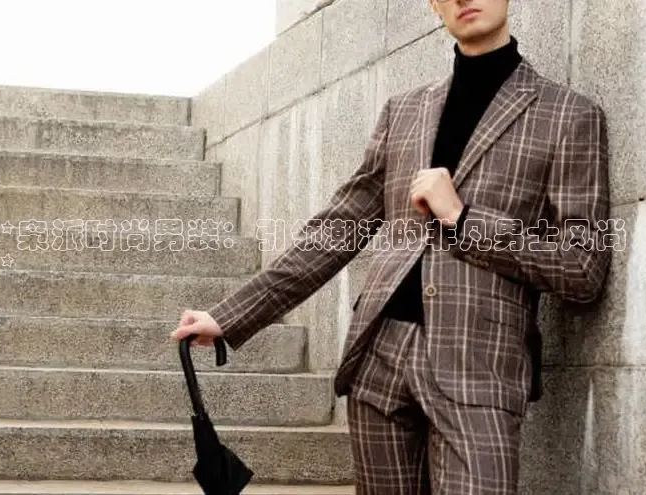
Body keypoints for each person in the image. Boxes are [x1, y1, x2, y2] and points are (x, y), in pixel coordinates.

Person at [171, 0, 611, 492]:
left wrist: (464, 219)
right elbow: (337, 230)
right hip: (379, 359)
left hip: (480, 369)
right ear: (434, 6)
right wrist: (230, 317)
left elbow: (584, 265)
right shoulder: (404, 111)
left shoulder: (568, 115)